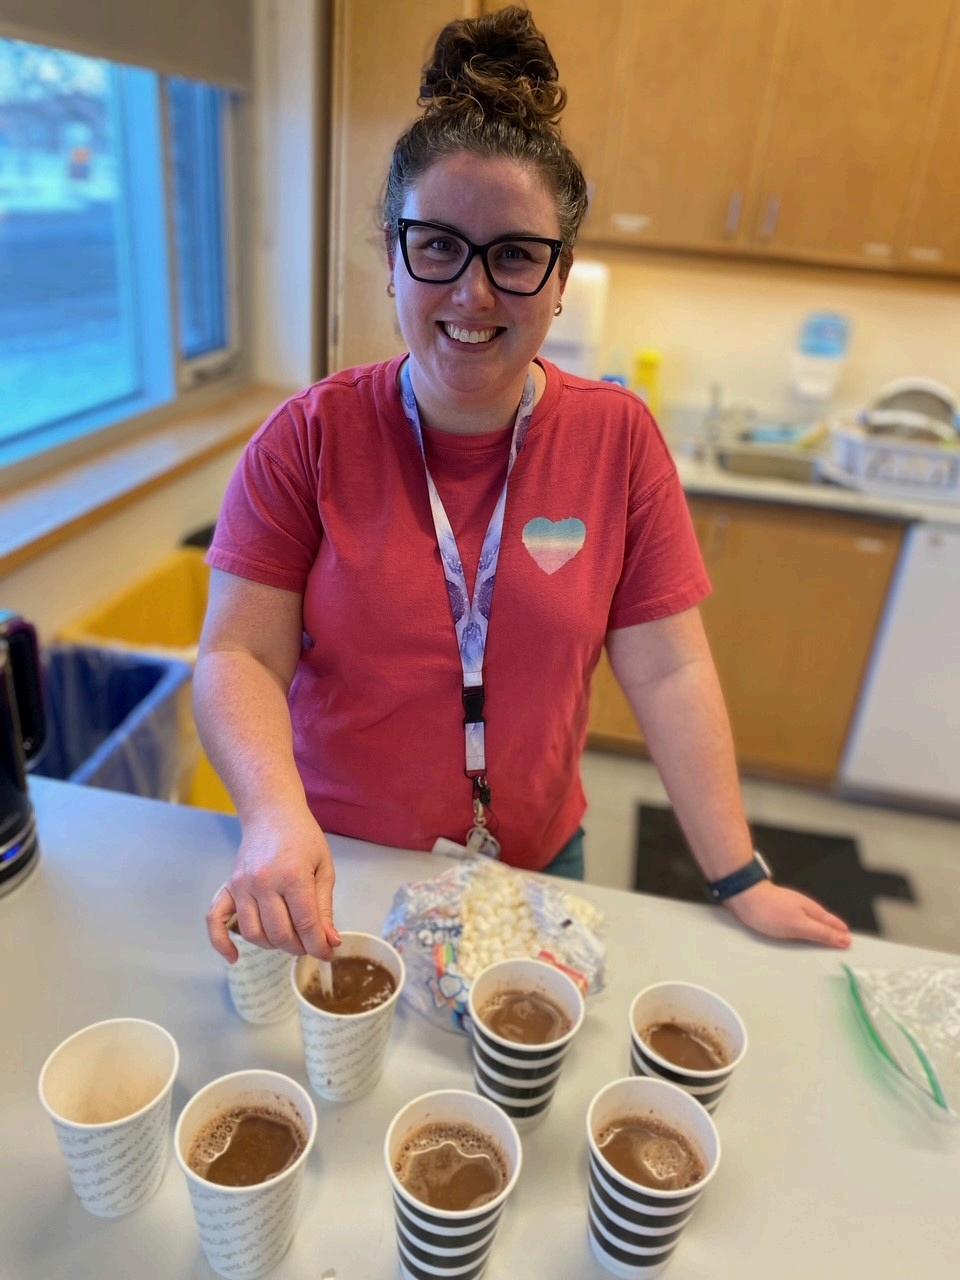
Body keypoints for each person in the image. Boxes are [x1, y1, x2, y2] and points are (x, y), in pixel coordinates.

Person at [197, 6, 851, 966]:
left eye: (513, 255)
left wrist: (738, 875)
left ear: (560, 276)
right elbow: (238, 657)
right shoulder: (309, 439)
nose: (473, 293)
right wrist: (270, 816)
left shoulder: (617, 440)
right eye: (437, 246)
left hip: (538, 861)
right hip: (339, 863)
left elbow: (669, 670)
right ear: (392, 259)